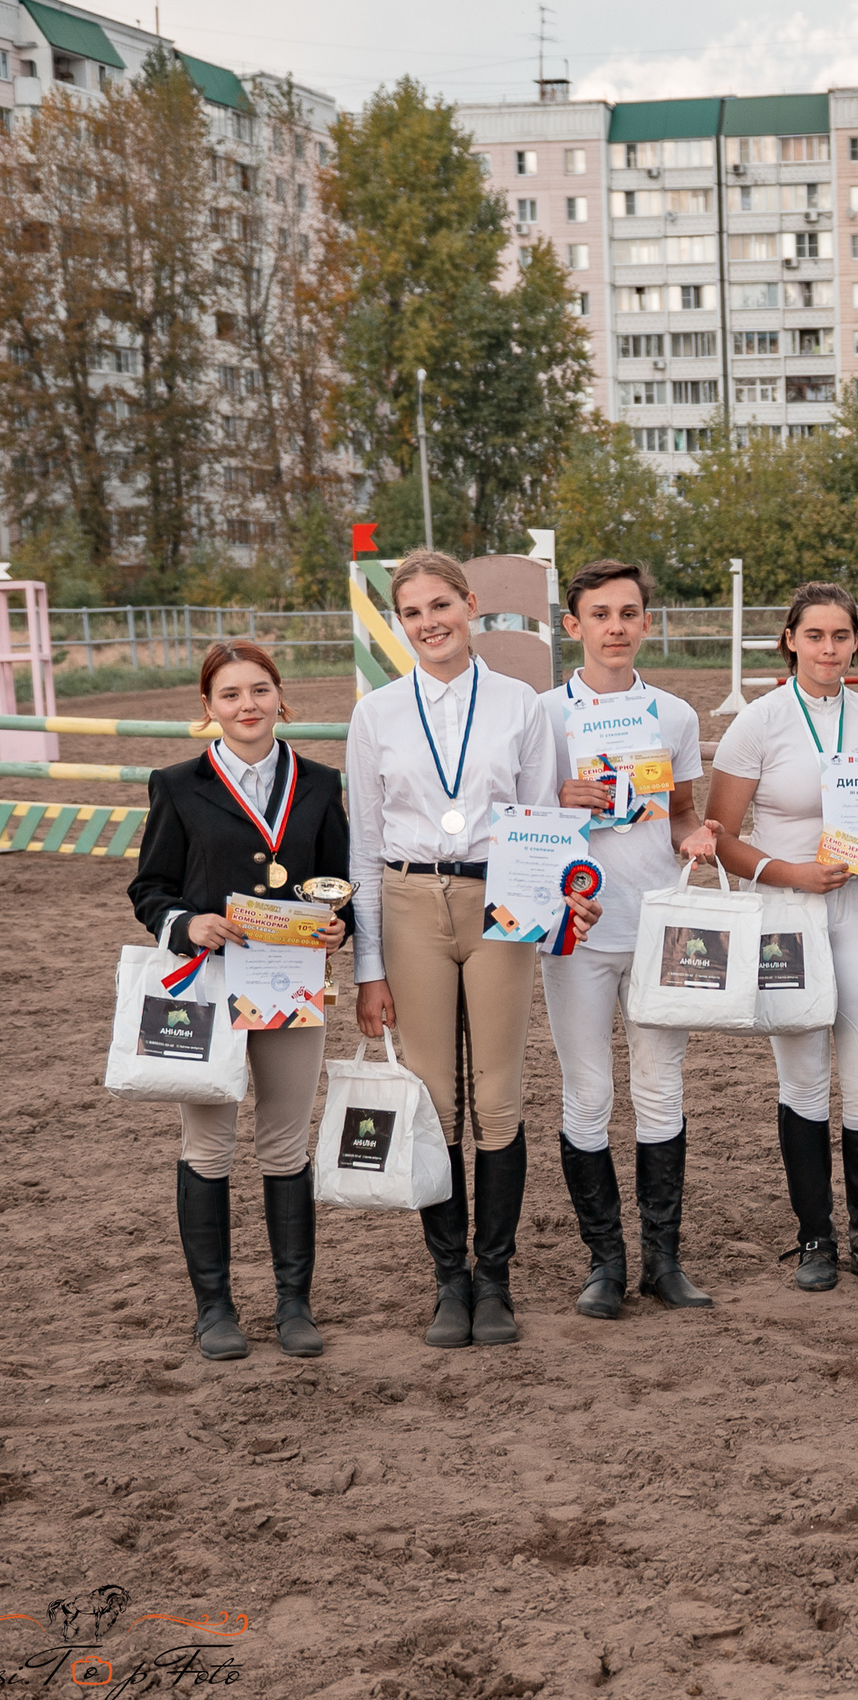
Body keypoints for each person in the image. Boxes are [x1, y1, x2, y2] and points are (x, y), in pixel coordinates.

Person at [346, 549, 575, 1349]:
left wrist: (543, 912)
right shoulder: (374, 714)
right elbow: (366, 845)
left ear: (470, 604)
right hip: (410, 900)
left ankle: (495, 1276)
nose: (429, 622)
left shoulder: (522, 705)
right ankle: (447, 1278)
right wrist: (367, 965)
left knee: (500, 1094)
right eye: (412, 612)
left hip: (500, 896)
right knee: (435, 1096)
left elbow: (543, 816)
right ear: (399, 622)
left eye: (441, 605)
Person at [129, 642, 351, 1360]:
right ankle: (214, 1306)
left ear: (282, 698)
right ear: (208, 709)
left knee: (286, 1142)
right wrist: (185, 923)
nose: (247, 705)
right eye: (230, 695)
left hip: (289, 982)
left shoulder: (319, 782)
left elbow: (338, 880)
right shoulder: (176, 782)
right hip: (210, 983)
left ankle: (294, 1303)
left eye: (260, 690)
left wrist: (340, 924)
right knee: (209, 1144)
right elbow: (150, 887)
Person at [708, 582, 858, 1291]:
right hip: (787, 918)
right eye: (815, 635)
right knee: (802, 1079)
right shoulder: (757, 722)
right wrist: (789, 871)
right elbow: (719, 840)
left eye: (841, 636)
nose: (829, 648)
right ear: (790, 639)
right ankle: (814, 1238)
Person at [540, 560, 721, 1319]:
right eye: (599, 614)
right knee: (588, 1092)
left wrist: (697, 836)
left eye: (628, 612)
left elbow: (680, 810)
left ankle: (663, 1259)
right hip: (577, 928)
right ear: (572, 625)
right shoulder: (543, 715)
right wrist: (556, 798)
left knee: (660, 1087)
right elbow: (520, 823)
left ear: (647, 621)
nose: (615, 626)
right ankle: (603, 1262)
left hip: (660, 926)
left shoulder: (674, 716)